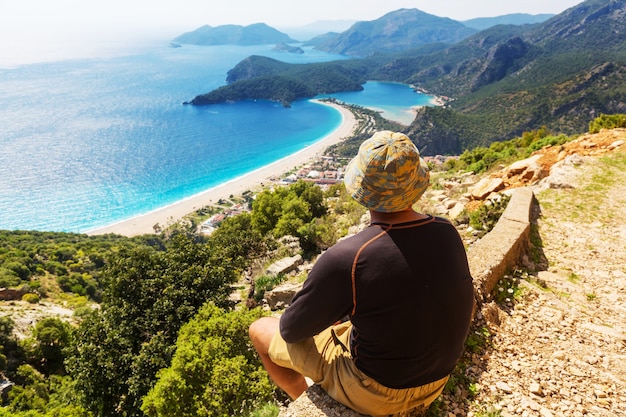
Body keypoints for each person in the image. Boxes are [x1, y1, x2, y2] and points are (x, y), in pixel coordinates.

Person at [249, 130, 475, 416]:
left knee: (260, 330)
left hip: (376, 394)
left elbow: (291, 331)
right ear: (416, 184)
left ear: (363, 190)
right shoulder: (446, 231)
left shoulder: (348, 258)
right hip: (438, 379)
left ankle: (308, 399)